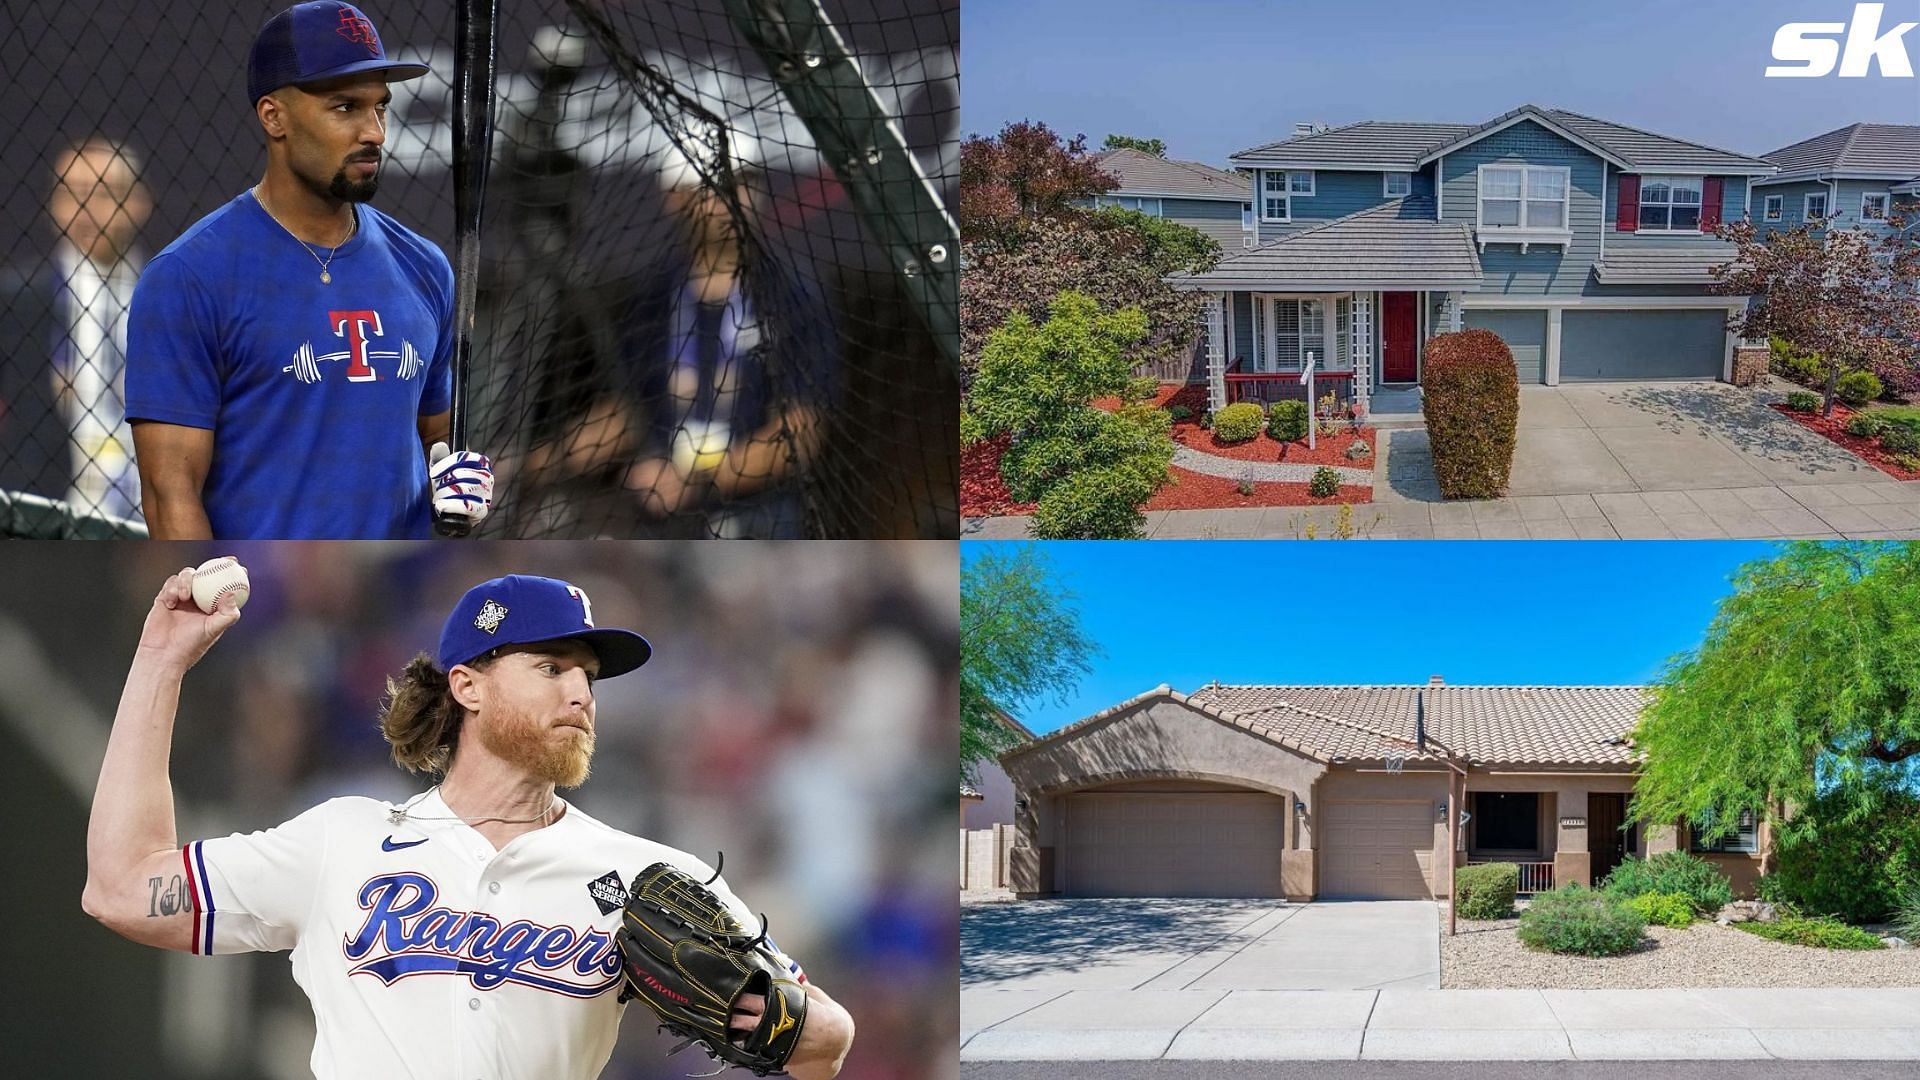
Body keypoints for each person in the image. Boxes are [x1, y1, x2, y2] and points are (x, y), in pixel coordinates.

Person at [82, 570, 856, 1079]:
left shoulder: (650, 877)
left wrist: (784, 1020)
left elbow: (827, 1041)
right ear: (468, 685)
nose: (581, 694)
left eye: (588, 676)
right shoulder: (340, 842)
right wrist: (159, 659)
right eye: (551, 668)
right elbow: (122, 888)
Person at [124, 1, 491, 539]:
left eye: (381, 108)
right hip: (269, 600)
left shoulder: (424, 266)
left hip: (395, 603)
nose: (375, 133)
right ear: (274, 116)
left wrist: (460, 490)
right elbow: (169, 496)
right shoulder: (188, 276)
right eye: (345, 107)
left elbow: (437, 440)